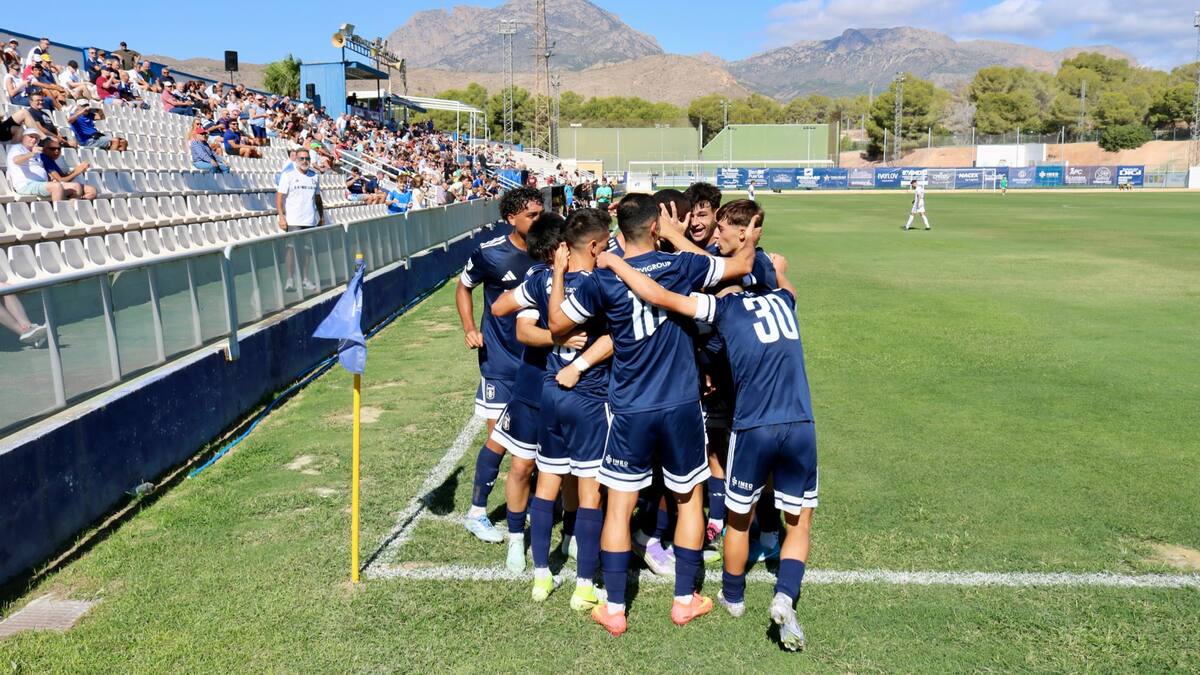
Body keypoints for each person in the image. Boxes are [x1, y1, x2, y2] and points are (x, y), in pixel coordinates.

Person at [547, 192, 757, 637]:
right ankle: (685, 600)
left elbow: (558, 327)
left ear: (618, 231)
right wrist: (682, 240)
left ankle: (615, 607)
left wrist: (561, 274)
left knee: (619, 508)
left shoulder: (601, 279)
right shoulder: (683, 266)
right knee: (688, 500)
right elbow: (740, 266)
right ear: (657, 227)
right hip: (681, 404)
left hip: (630, 407)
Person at [596, 240, 816, 652]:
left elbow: (658, 295)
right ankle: (707, 599)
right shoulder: (784, 302)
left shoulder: (724, 309)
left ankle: (726, 598)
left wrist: (612, 261)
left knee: (732, 519)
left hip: (738, 424)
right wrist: (773, 265)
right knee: (788, 519)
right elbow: (784, 285)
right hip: (796, 422)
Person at [491, 208, 614, 610]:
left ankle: (541, 576)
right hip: (588, 394)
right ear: (592, 245)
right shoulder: (604, 282)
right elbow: (612, 336)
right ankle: (582, 586)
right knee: (590, 492)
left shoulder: (542, 277)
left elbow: (500, 307)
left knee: (547, 483)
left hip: (549, 393)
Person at [456, 186, 540, 545]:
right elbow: (463, 288)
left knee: (536, 445)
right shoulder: (489, 254)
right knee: (499, 441)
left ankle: (533, 501)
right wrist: (471, 328)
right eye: (531, 216)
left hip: (538, 362)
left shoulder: (551, 251)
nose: (538, 221)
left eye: (540, 213)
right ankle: (477, 512)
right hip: (501, 363)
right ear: (511, 218)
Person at [276, 150, 324, 292]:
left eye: (307, 158)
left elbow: (317, 198)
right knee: (291, 249)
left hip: (310, 220)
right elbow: (279, 197)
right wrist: (281, 216)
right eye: (301, 158)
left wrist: (321, 216)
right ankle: (290, 280)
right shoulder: (288, 175)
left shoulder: (314, 176)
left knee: (307, 251)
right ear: (296, 160)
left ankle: (305, 279)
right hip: (293, 220)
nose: (304, 161)